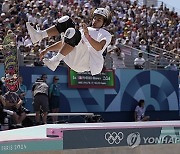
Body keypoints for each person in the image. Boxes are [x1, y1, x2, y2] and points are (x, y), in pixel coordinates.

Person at [26, 8, 112, 76]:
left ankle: (56, 60)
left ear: (104, 23)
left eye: (99, 20)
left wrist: (87, 36)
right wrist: (47, 50)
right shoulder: (85, 30)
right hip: (74, 58)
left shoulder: (105, 34)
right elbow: (66, 42)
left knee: (74, 32)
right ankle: (39, 35)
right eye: (95, 18)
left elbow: (99, 47)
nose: (95, 21)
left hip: (87, 62)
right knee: (66, 21)